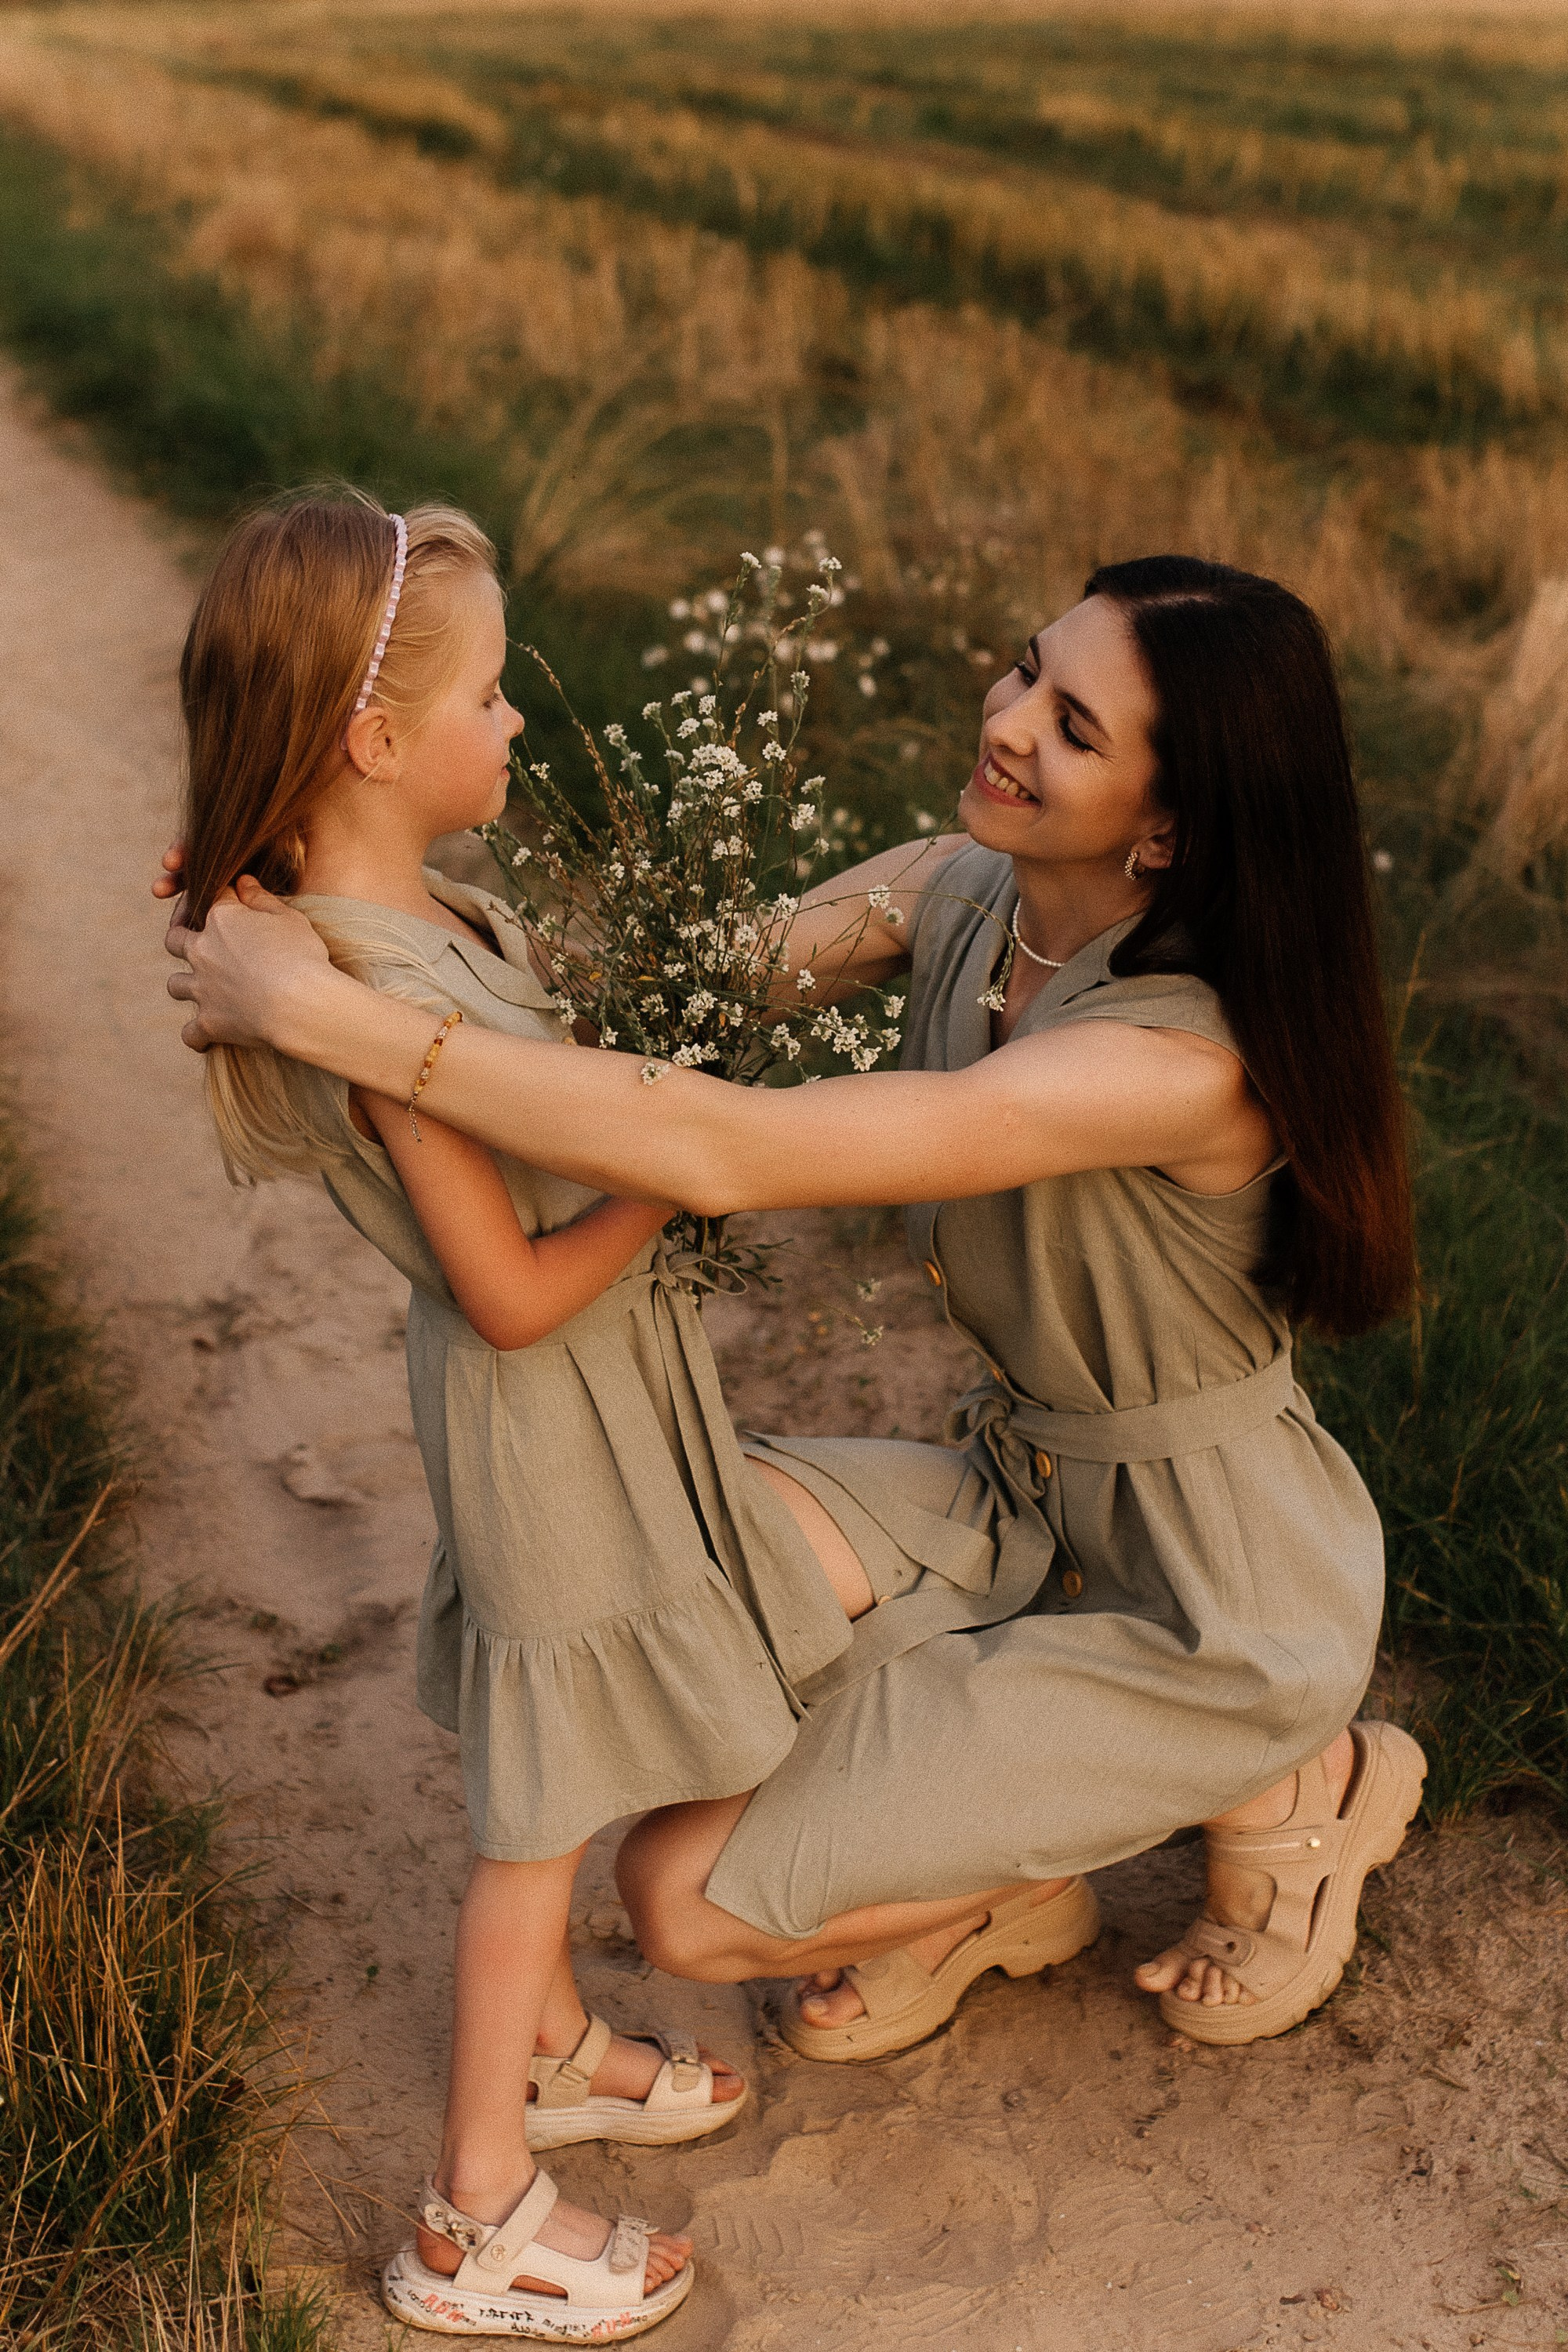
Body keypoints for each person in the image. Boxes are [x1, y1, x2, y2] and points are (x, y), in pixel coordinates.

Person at [162, 554, 1426, 2085]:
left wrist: (320, 1016)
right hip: (1018, 1497)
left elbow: (721, 1148)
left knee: (678, 1905)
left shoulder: (1173, 1062)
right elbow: (648, 1009)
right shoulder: (965, 892)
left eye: (1074, 726)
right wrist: (322, 888)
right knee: (664, 1551)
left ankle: (1302, 1780)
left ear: (1170, 827)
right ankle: (1006, 1877)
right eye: (1027, 668)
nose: (1010, 720)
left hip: (1210, 1596)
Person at [172, 492, 896, 2342]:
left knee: (564, 1769)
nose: (518, 728)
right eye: (491, 698)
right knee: (537, 1816)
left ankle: (563, 2042)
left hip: (578, 1392)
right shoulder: (371, 987)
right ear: (375, 740)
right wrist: (678, 1159)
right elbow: (503, 1286)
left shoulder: (422, 922)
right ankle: (475, 2212)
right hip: (536, 1398)